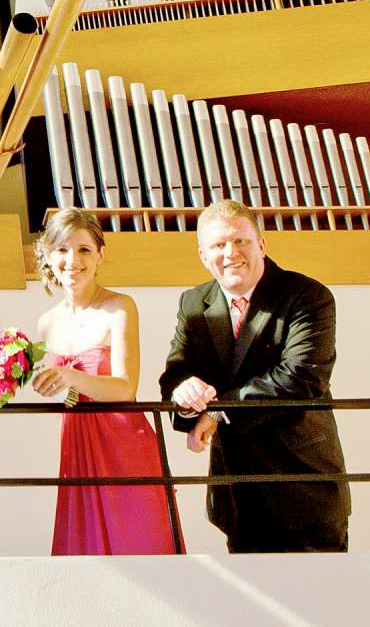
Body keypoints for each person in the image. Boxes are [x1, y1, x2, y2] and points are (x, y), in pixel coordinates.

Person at [157, 197, 349, 552]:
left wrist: (216, 410)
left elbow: (301, 379)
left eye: (240, 240)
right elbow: (176, 373)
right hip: (236, 493)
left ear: (261, 244)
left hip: (302, 488)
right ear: (203, 255)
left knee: (322, 603)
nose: (230, 253)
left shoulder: (307, 296)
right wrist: (185, 395)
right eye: (218, 245)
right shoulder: (193, 303)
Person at [29, 208, 178, 555]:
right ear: (49, 256)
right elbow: (69, 394)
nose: (73, 260)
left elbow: (125, 387)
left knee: (139, 547)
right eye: (63, 250)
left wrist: (68, 376)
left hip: (123, 440)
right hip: (77, 440)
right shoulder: (46, 323)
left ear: (100, 254)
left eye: (83, 249)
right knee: (86, 552)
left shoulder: (120, 307)